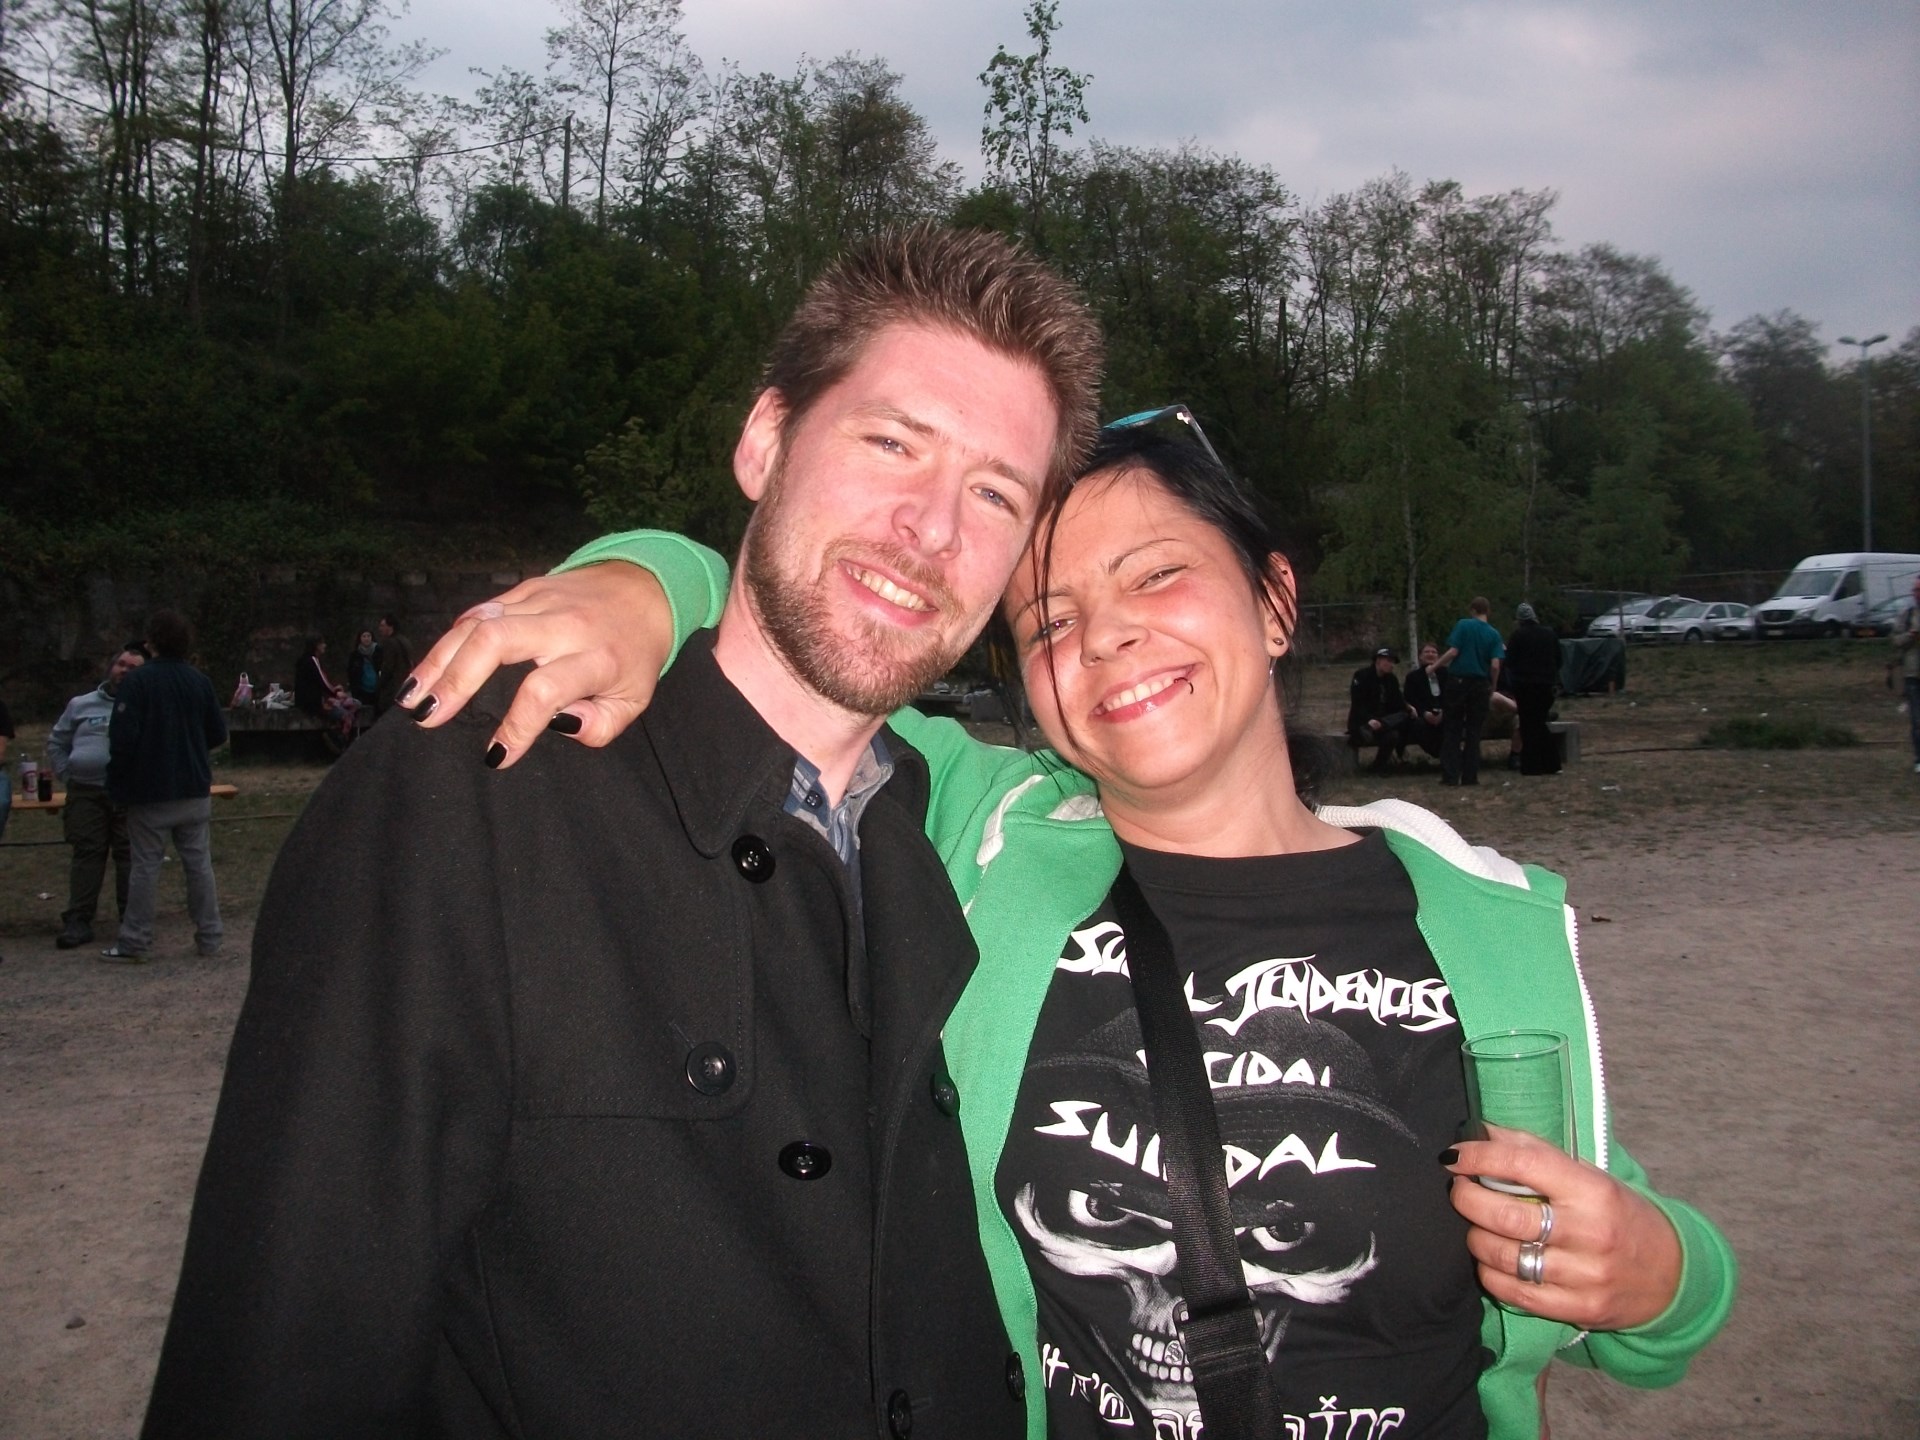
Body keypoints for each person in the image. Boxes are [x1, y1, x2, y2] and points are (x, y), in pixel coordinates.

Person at [414, 427, 1736, 1440]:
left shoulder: (1483, 925)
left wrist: (1665, 1275)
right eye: (1048, 622)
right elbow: (772, 618)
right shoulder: (982, 832)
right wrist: (635, 583)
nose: (1106, 639)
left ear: (1275, 600)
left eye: (1157, 575)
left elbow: (1633, 1276)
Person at [140, 225, 1104, 1439]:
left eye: (995, 494)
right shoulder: (475, 794)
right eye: (892, 443)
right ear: (764, 441)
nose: (932, 527)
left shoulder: (941, 834)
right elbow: (283, 1357)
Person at [102, 611, 227, 963]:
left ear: (151, 642)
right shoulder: (199, 681)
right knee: (199, 865)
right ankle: (210, 936)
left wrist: (117, 780)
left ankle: (135, 940)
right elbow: (217, 732)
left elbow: (122, 739)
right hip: (193, 786)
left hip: (150, 788)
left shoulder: (138, 682)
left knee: (145, 866)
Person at [47, 643, 147, 949]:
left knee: (128, 856)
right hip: (85, 792)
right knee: (87, 854)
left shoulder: (146, 705)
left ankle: (131, 921)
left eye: (133, 668)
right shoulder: (81, 704)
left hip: (127, 793)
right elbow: (57, 742)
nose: (124, 671)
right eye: (121, 664)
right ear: (111, 667)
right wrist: (67, 773)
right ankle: (78, 920)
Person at [1435, 598, 1504, 787]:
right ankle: (1470, 776)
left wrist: (1434, 666)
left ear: (1472, 610)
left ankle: (1450, 775)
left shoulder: (1463, 625)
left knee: (1453, 729)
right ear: (1488, 611)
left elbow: (1453, 652)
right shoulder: (1494, 634)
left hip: (1458, 681)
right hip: (1480, 684)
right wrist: (1493, 686)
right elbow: (1495, 665)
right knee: (1474, 731)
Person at [1505, 604, 1561, 776]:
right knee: (1539, 722)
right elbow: (1559, 659)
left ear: (1519, 620)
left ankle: (1532, 765)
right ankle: (1551, 763)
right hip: (1546, 686)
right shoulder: (1549, 634)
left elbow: (1510, 661)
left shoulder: (1517, 636)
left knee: (1528, 724)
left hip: (1525, 686)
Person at [1347, 646, 1412, 773]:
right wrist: (1369, 720)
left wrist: (1408, 707)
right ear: (1378, 660)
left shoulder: (1391, 679)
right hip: (1364, 723)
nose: (1391, 665)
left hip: (1384, 722)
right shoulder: (1361, 676)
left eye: (1393, 662)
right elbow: (1358, 704)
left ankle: (1377, 767)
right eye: (1388, 661)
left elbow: (1398, 702)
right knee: (1391, 732)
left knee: (1401, 722)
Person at [293, 636, 361, 738]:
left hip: (309, 700)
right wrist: (335, 693)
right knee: (349, 711)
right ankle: (341, 736)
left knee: (352, 705)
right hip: (314, 703)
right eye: (322, 644)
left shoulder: (304, 660)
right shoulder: (312, 660)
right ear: (316, 646)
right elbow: (322, 681)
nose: (324, 646)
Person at [1404, 641, 1447, 760]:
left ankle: (1452, 756)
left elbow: (1452, 696)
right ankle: (1442, 754)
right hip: (1422, 715)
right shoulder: (1413, 677)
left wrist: (1443, 712)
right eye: (1427, 652)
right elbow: (1410, 699)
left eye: (1434, 652)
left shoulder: (1447, 674)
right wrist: (1424, 713)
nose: (1430, 654)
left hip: (1445, 713)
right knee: (1418, 726)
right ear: (1420, 656)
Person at [1896, 574, 1920, 774]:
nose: (1916, 594)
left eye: (1919, 590)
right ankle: (1919, 759)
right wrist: (1909, 636)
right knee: (1917, 720)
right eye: (1915, 590)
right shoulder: (1908, 615)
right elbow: (1895, 640)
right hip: (1913, 676)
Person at [371, 613, 413, 717]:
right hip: (403, 686)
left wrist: (379, 685)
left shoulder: (390, 643)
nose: (380, 629)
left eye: (382, 625)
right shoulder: (405, 641)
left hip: (392, 688)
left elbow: (388, 667)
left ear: (390, 627)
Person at [347, 628, 380, 708]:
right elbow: (351, 672)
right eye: (364, 636)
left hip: (377, 688)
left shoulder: (379, 651)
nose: (366, 638)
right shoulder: (355, 654)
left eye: (368, 636)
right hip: (361, 689)